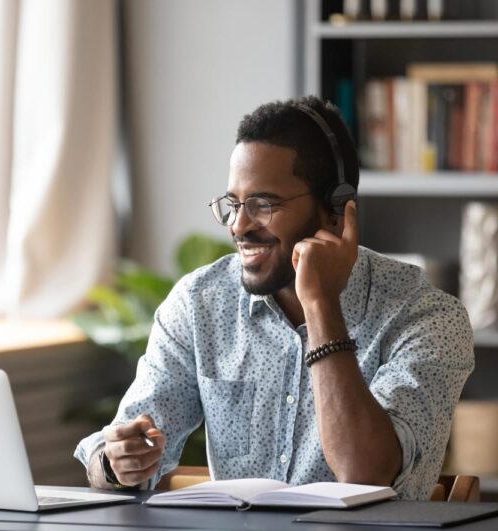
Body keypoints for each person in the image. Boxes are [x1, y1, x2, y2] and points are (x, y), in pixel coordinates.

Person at [74, 96, 474, 500]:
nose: (240, 226)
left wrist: (320, 304)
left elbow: (365, 473)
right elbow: (120, 451)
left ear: (336, 209)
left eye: (263, 204)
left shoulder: (426, 317)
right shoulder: (200, 305)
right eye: (233, 204)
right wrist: (115, 462)